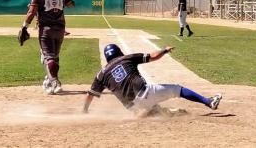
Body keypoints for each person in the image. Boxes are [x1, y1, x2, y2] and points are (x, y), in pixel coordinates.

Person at [83, 44, 222, 115]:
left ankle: (153, 112)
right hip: (146, 93)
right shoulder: (126, 58)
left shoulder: (100, 74)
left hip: (132, 108)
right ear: (119, 52)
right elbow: (153, 56)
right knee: (177, 89)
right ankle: (208, 102)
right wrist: (164, 50)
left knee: (156, 110)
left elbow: (90, 95)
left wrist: (84, 111)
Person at [18, 0, 75, 95]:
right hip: (60, 30)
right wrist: (61, 2)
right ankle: (50, 81)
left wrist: (24, 27)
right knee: (55, 57)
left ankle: (55, 82)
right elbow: (71, 5)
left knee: (47, 57)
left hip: (46, 30)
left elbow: (31, 12)